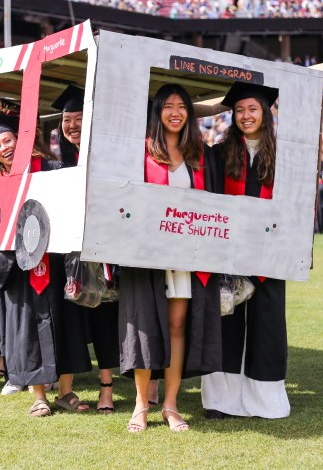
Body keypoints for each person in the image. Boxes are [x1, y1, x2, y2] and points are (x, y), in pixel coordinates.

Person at [0, 109, 92, 417]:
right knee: (27, 330)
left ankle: (66, 393)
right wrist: (10, 260)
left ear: (21, 140)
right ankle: (38, 396)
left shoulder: (52, 169)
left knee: (66, 324)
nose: (4, 148)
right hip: (18, 269)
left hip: (54, 263)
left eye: (8, 140)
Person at [121, 84, 221, 433]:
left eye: (182, 106)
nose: (175, 112)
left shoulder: (201, 155)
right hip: (148, 254)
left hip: (187, 255)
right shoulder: (141, 152)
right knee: (146, 326)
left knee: (179, 326)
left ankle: (171, 404)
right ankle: (140, 405)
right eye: (168, 106)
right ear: (158, 111)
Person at [201, 81, 290, 420]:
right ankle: (222, 401)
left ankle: (264, 401)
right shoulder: (221, 153)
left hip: (270, 253)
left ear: (265, 113)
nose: (245, 115)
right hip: (229, 250)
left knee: (267, 324)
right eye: (239, 110)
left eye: (252, 109)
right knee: (227, 320)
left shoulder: (284, 154)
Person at [53, 86, 120, 414]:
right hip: (71, 257)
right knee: (73, 320)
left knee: (105, 317)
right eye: (67, 119)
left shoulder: (105, 156)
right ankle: (66, 390)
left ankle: (106, 390)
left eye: (79, 118)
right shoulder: (60, 163)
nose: (73, 125)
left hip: (103, 251)